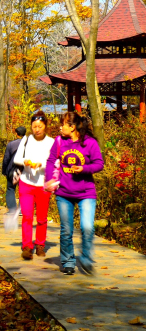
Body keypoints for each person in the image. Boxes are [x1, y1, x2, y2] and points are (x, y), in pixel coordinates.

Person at [45, 112, 104, 276]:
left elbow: (99, 164)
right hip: (64, 192)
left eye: (63, 124)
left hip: (86, 192)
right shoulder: (59, 141)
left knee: (87, 227)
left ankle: (85, 257)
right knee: (66, 229)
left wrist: (83, 169)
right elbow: (50, 161)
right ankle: (68, 261)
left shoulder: (89, 143)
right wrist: (50, 179)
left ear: (72, 127)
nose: (60, 127)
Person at [13, 112, 54, 259]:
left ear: (45, 126)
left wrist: (41, 164)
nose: (37, 129)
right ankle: (27, 247)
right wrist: (26, 161)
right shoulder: (26, 140)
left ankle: (40, 245)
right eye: (34, 126)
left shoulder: (51, 142)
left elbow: (55, 162)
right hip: (26, 182)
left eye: (40, 126)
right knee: (27, 216)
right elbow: (17, 158)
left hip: (43, 184)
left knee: (42, 218)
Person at [2, 126, 28, 212]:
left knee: (10, 189)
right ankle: (21, 210)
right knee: (23, 189)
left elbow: (6, 158)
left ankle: (12, 209)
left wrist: (4, 170)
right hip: (25, 170)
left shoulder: (11, 144)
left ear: (16, 133)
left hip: (12, 169)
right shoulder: (28, 144)